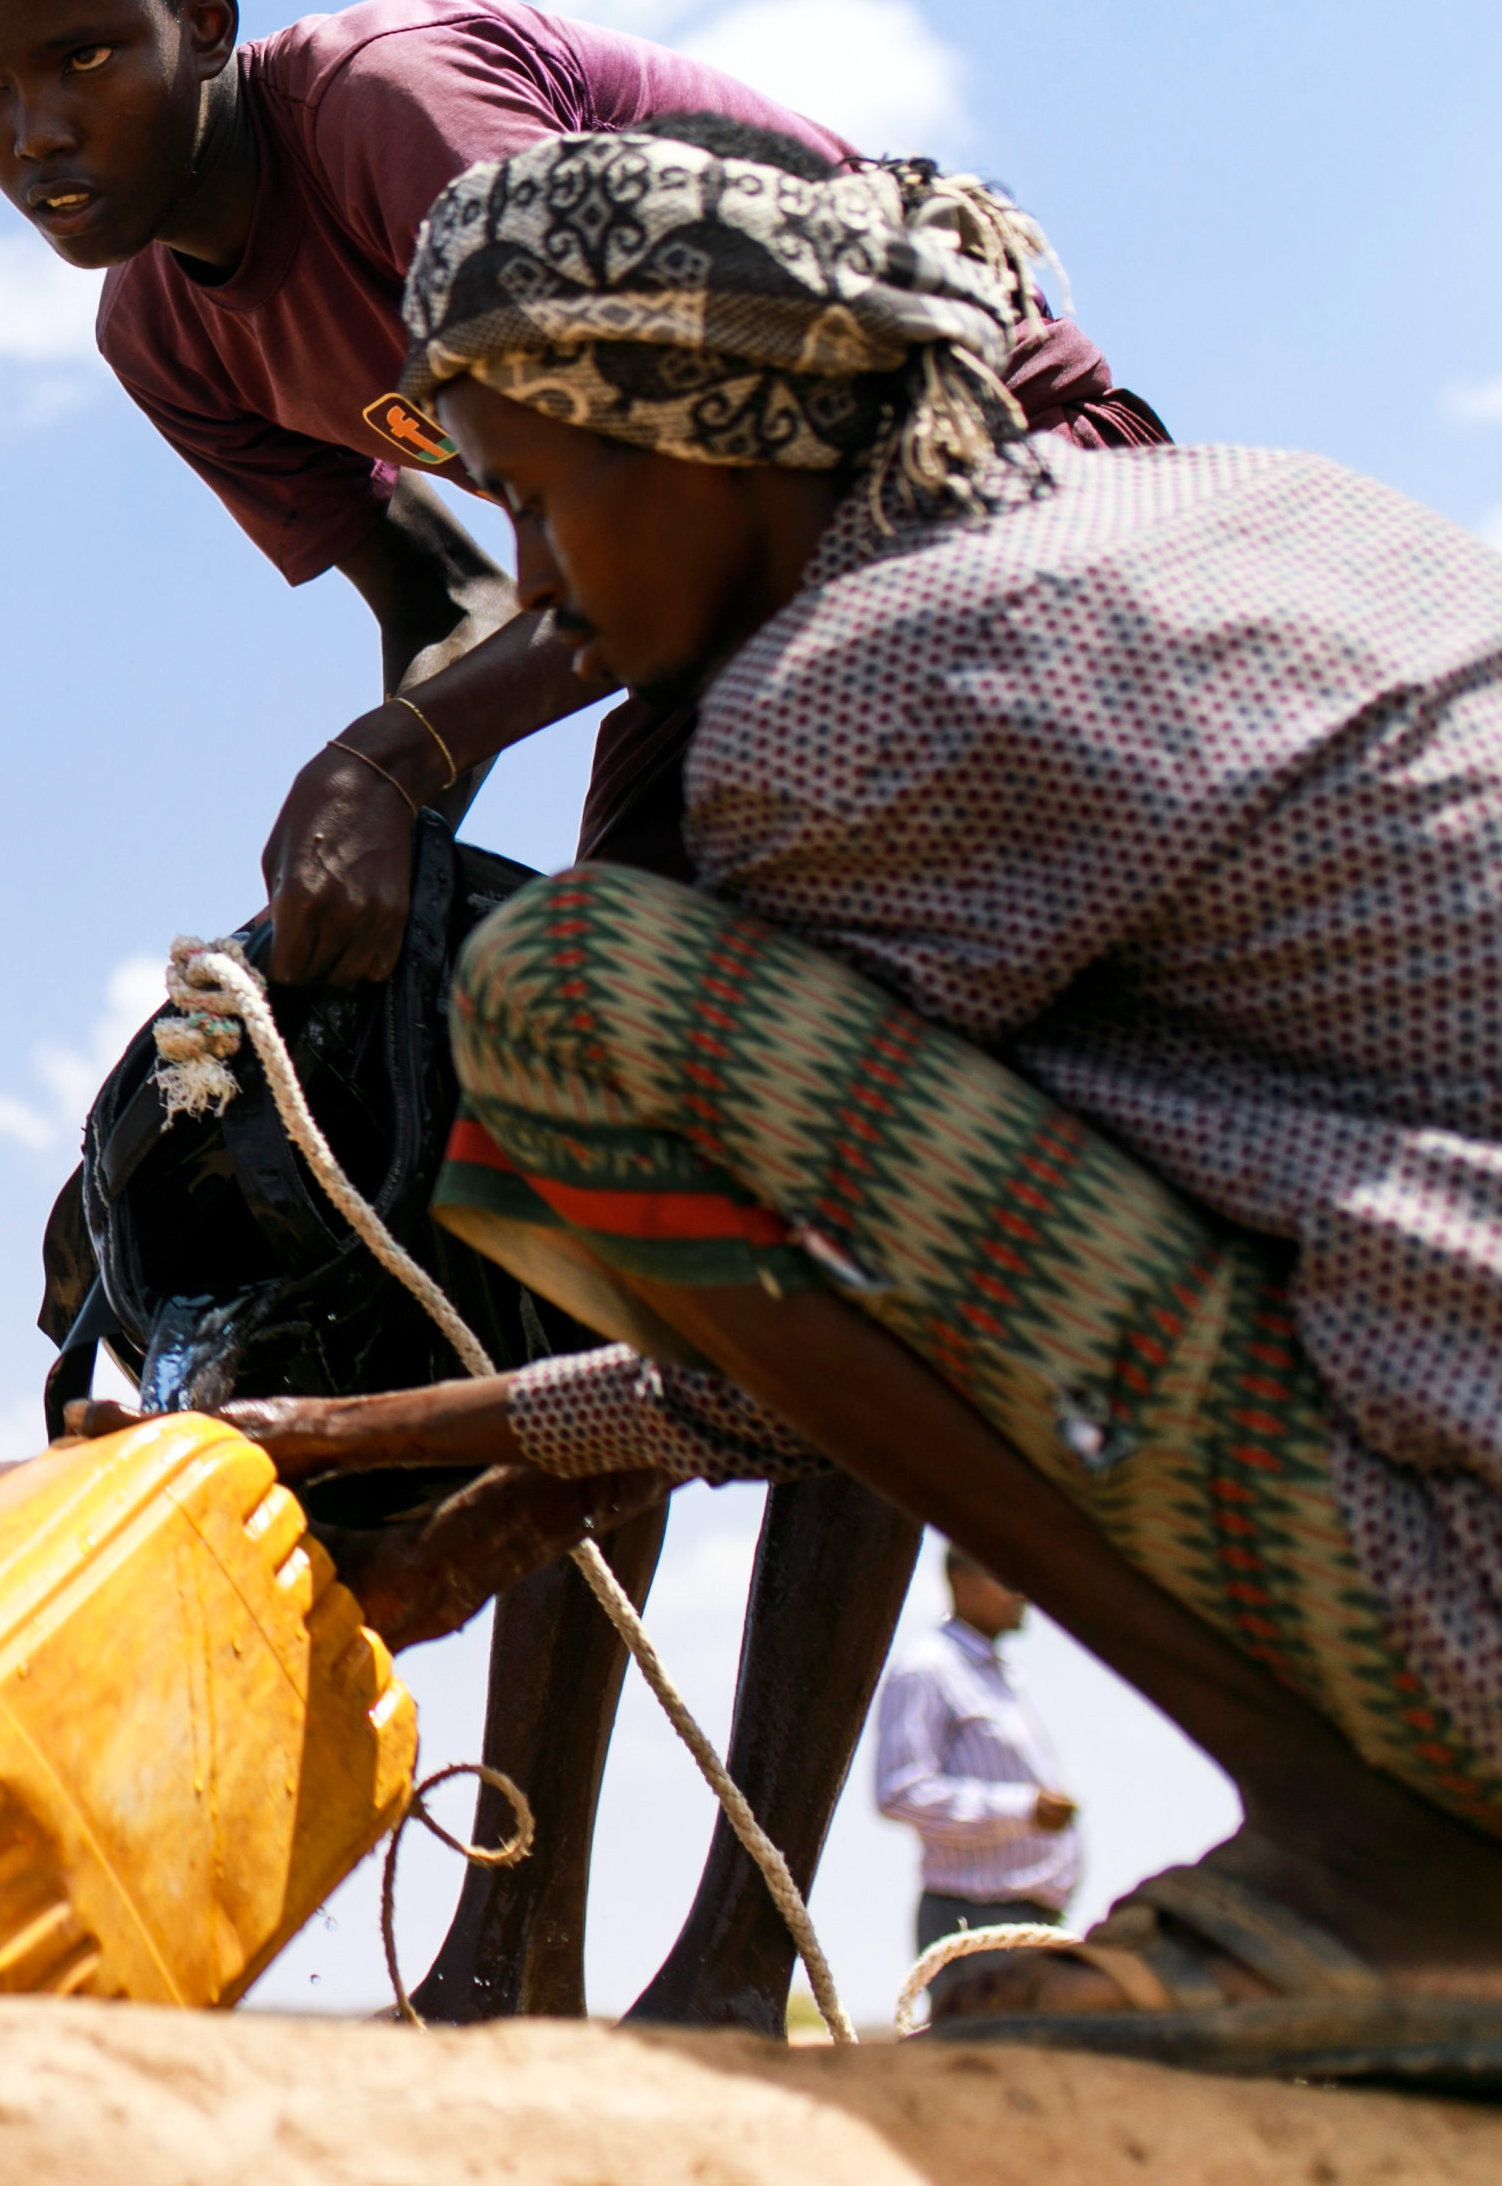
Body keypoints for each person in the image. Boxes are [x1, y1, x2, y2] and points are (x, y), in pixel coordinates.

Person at [215, 126, 1502, 2082]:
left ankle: (1384, 1865)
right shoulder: (1242, 504)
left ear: (707, 432)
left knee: (563, 993)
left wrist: (382, 1439)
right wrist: (467, 1484)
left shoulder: (854, 700)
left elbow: (813, 1363)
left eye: (544, 498)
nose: (541, 596)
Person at [0, 0, 1164, 976]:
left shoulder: (393, 109)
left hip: (962, 465)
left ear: (202, 26)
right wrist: (368, 848)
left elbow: (684, 480)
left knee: (759, 990)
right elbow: (447, 604)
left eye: (82, 57)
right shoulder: (159, 337)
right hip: (714, 594)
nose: (32, 131)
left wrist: (392, 760)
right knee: (579, 1028)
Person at [876, 1549, 1083, 1959]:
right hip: (974, 1921)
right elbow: (900, 1791)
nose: (1022, 1594)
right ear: (960, 1579)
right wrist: (1024, 1808)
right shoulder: (928, 1669)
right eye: (1006, 1578)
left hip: (1024, 1920)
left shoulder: (994, 1672)